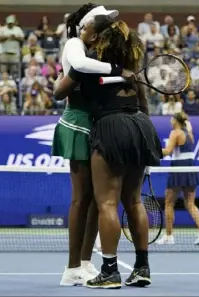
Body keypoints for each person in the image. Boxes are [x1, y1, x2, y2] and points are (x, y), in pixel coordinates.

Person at [54, 15, 162, 289]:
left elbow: (60, 91)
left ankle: (110, 271)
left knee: (107, 204)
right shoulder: (130, 65)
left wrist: (60, 77)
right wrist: (143, 142)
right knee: (134, 202)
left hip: (112, 127)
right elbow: (143, 102)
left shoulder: (87, 62)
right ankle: (141, 268)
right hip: (141, 126)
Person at [51, 3, 126, 286]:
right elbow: (81, 68)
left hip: (94, 123)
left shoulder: (96, 49)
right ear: (88, 26)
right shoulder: (73, 44)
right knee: (81, 199)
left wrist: (124, 74)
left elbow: (103, 77)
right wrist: (118, 69)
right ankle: (71, 268)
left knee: (97, 201)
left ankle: (84, 262)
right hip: (76, 122)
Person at [156, 112, 199, 245]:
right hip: (190, 168)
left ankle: (169, 236)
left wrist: (152, 148)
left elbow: (167, 151)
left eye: (172, 118)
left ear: (175, 120)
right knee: (190, 203)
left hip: (179, 168)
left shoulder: (175, 133)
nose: (170, 120)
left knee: (169, 203)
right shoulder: (189, 134)